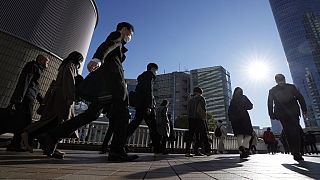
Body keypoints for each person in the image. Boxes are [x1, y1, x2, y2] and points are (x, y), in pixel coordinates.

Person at [37, 22, 138, 162]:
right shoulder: (117, 36)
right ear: (125, 29)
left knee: (90, 115)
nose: (130, 37)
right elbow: (108, 44)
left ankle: (51, 135)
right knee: (122, 112)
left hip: (105, 89)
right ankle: (117, 151)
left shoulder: (120, 46)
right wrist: (98, 59)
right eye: (130, 34)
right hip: (114, 85)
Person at [20, 51, 83, 158]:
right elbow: (69, 81)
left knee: (53, 121)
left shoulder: (63, 65)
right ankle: (31, 134)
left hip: (56, 96)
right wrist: (70, 97)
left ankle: (48, 147)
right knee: (58, 122)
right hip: (62, 97)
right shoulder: (70, 66)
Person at [6, 55, 49, 151]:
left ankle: (16, 144)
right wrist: (18, 98)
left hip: (28, 98)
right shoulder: (32, 66)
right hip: (26, 98)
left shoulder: (37, 69)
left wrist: (42, 102)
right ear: (41, 60)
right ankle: (16, 144)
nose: (47, 64)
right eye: (46, 62)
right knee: (23, 122)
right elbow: (24, 81)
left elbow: (35, 88)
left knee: (24, 121)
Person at [268, 74, 307, 161]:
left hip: (282, 114)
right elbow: (300, 97)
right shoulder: (291, 87)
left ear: (276, 81)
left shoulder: (272, 90)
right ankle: (297, 152)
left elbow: (270, 103)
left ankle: (294, 151)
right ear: (284, 79)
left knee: (287, 131)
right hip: (293, 112)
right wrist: (304, 109)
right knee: (295, 131)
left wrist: (271, 114)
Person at [126, 63, 161, 153]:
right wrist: (149, 106)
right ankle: (157, 148)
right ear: (153, 69)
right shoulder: (149, 76)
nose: (156, 73)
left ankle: (120, 143)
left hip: (140, 105)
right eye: (156, 70)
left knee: (134, 124)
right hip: (146, 106)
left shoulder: (142, 77)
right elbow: (148, 91)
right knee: (153, 127)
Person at [185, 87, 211, 157]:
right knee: (203, 134)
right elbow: (203, 109)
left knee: (191, 135)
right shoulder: (201, 98)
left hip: (191, 119)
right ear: (200, 92)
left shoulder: (190, 100)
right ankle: (208, 151)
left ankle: (188, 152)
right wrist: (204, 118)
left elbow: (188, 111)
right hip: (199, 118)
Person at [228, 87, 253, 159]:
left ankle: (242, 152)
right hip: (244, 118)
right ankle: (244, 146)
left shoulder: (232, 100)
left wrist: (231, 119)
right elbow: (250, 106)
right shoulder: (243, 97)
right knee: (249, 134)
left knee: (239, 135)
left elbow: (230, 110)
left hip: (235, 120)